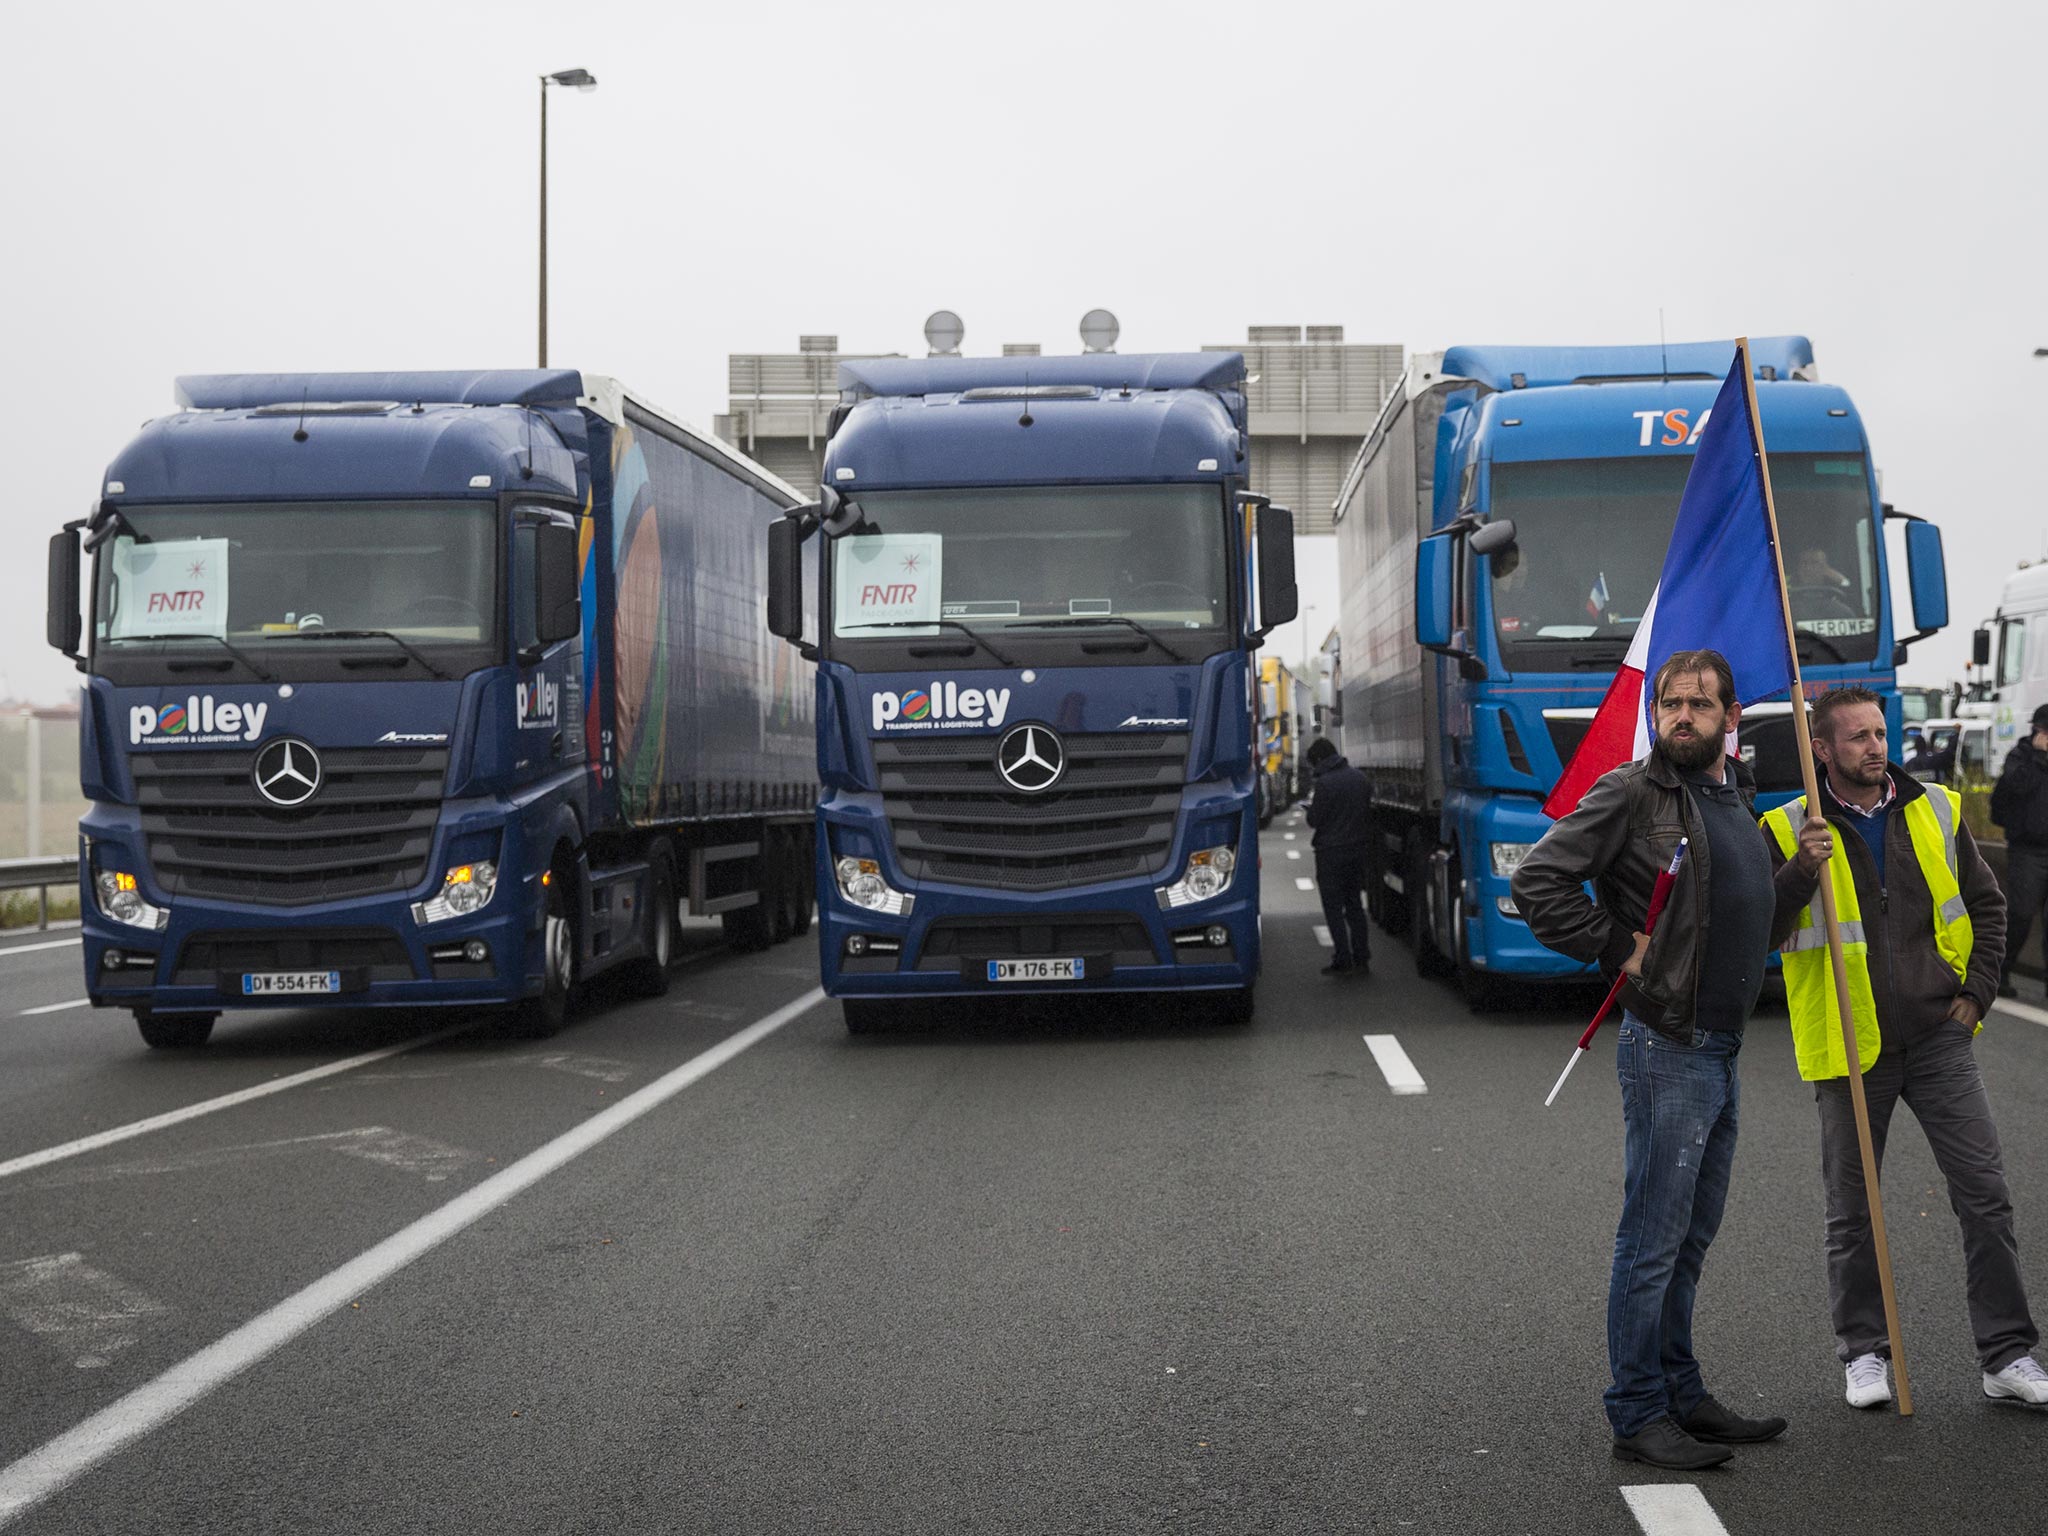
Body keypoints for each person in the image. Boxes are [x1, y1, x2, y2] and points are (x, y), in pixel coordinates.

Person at [1512, 649, 1787, 1470]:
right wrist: (1613, 945)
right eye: (1671, 702)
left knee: (1693, 1233)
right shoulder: (1632, 792)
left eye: (1702, 703)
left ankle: (1681, 1391)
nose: (1683, 716)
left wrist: (1800, 871)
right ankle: (1637, 1409)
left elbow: (1746, 911)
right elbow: (1538, 880)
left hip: (1721, 1039)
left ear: (1730, 716)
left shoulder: (1732, 792)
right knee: (1654, 1235)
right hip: (1668, 1039)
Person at [1763, 686, 2045, 1409]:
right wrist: (1798, 869)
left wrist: (1976, 997)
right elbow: (1760, 929)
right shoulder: (1788, 826)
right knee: (1852, 1213)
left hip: (1939, 1037)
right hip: (1851, 1045)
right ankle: (1864, 1355)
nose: (1874, 747)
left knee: (1986, 1197)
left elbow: (1987, 904)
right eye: (1856, 737)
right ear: (1821, 749)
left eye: (1880, 733)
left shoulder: (1937, 808)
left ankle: (2007, 1355)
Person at [1990, 703, 2048, 999]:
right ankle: (2001, 970)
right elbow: (2018, 787)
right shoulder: (2021, 757)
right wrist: (2039, 756)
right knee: (2021, 914)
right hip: (2028, 850)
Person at [1304, 737, 1371, 976]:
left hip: (1330, 853)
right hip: (1357, 850)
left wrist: (1310, 810)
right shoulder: (1360, 779)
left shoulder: (1324, 785)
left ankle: (1343, 957)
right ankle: (1362, 956)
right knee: (1354, 905)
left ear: (1320, 760)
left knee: (1333, 908)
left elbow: (1315, 820)